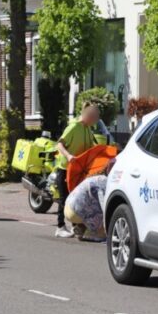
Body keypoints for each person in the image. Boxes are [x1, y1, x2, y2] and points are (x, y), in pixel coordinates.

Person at [53, 102, 100, 238]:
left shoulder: (88, 129)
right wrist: (68, 156)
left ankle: (76, 227)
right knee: (65, 198)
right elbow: (59, 144)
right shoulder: (73, 127)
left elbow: (92, 147)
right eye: (95, 118)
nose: (95, 121)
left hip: (79, 170)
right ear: (88, 115)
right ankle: (60, 227)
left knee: (77, 199)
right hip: (65, 168)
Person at [64, 174, 108, 242]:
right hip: (76, 212)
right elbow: (104, 206)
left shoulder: (96, 178)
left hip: (68, 207)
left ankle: (81, 228)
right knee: (101, 212)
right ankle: (93, 234)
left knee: (90, 203)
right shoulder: (104, 183)